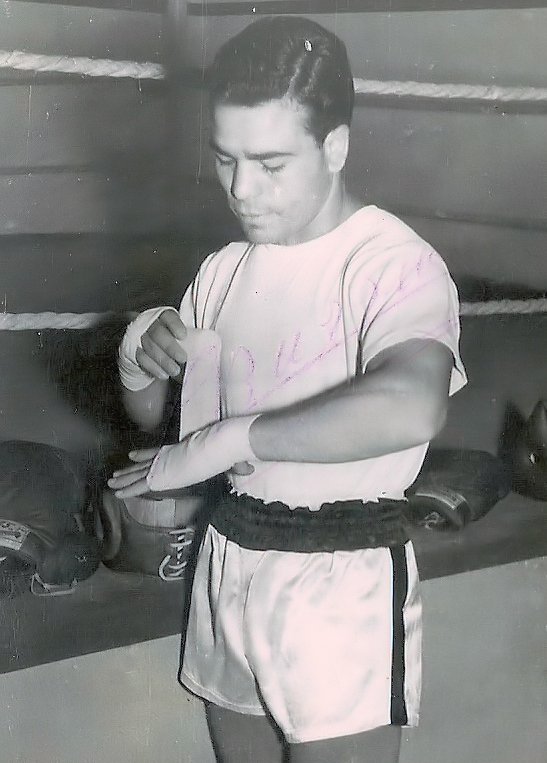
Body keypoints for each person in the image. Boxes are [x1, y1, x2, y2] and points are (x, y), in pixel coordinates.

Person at [108, 16, 466, 763]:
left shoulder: (390, 264)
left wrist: (230, 438)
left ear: (333, 147)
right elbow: (164, 428)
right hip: (230, 554)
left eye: (270, 164)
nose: (242, 190)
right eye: (225, 159)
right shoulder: (224, 269)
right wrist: (138, 362)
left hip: (339, 576)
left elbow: (411, 402)